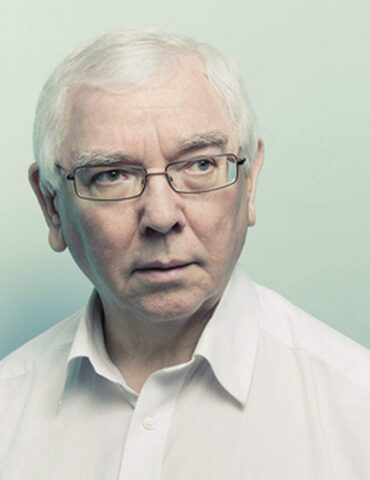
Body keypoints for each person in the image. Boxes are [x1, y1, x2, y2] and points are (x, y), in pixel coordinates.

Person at [1, 28, 369, 479]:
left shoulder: (355, 408)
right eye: (112, 174)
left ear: (249, 183)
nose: (160, 215)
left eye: (200, 164)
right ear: (53, 206)